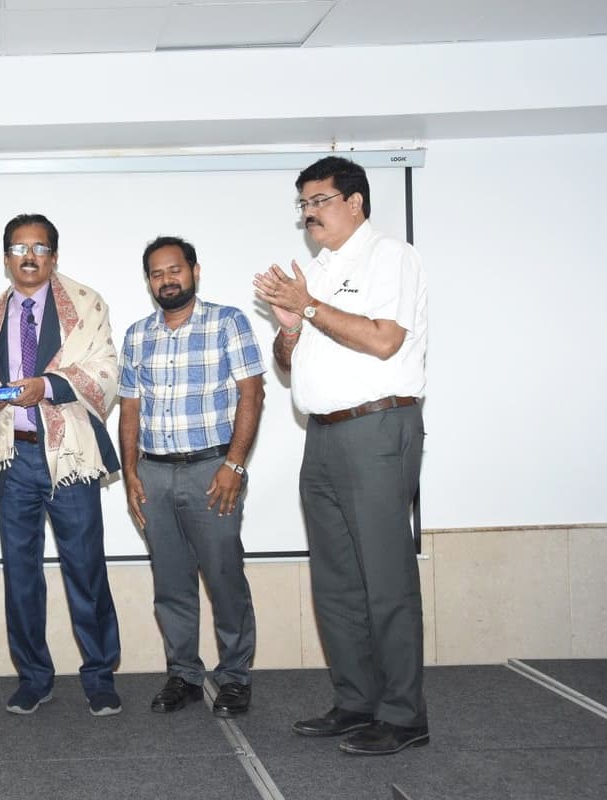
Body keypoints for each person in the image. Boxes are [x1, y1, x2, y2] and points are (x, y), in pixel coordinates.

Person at [253, 155, 429, 755]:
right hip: (322, 435)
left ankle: (405, 716)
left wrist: (307, 307)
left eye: (319, 200)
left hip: (378, 428)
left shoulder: (391, 256)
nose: (308, 213)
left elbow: (384, 340)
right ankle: (357, 702)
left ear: (355, 202)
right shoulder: (319, 270)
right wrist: (291, 326)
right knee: (336, 584)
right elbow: (287, 362)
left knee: (386, 580)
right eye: (302, 204)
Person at [0, 213, 122, 717]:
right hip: (16, 458)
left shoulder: (87, 306)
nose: (30, 256)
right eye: (20, 248)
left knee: (86, 568)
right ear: (6, 258)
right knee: (20, 574)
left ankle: (99, 675)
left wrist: (45, 385)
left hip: (69, 459)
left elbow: (106, 370)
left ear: (54, 256)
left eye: (40, 248)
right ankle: (33, 677)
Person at [118, 236, 265, 718]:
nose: (167, 280)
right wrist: (131, 474)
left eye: (175, 270)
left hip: (212, 470)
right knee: (171, 583)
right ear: (149, 281)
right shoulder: (138, 335)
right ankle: (183, 674)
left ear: (194, 271)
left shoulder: (228, 322)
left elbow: (252, 394)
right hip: (154, 474)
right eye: (157, 273)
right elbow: (130, 408)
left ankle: (235, 678)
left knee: (224, 577)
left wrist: (235, 465)